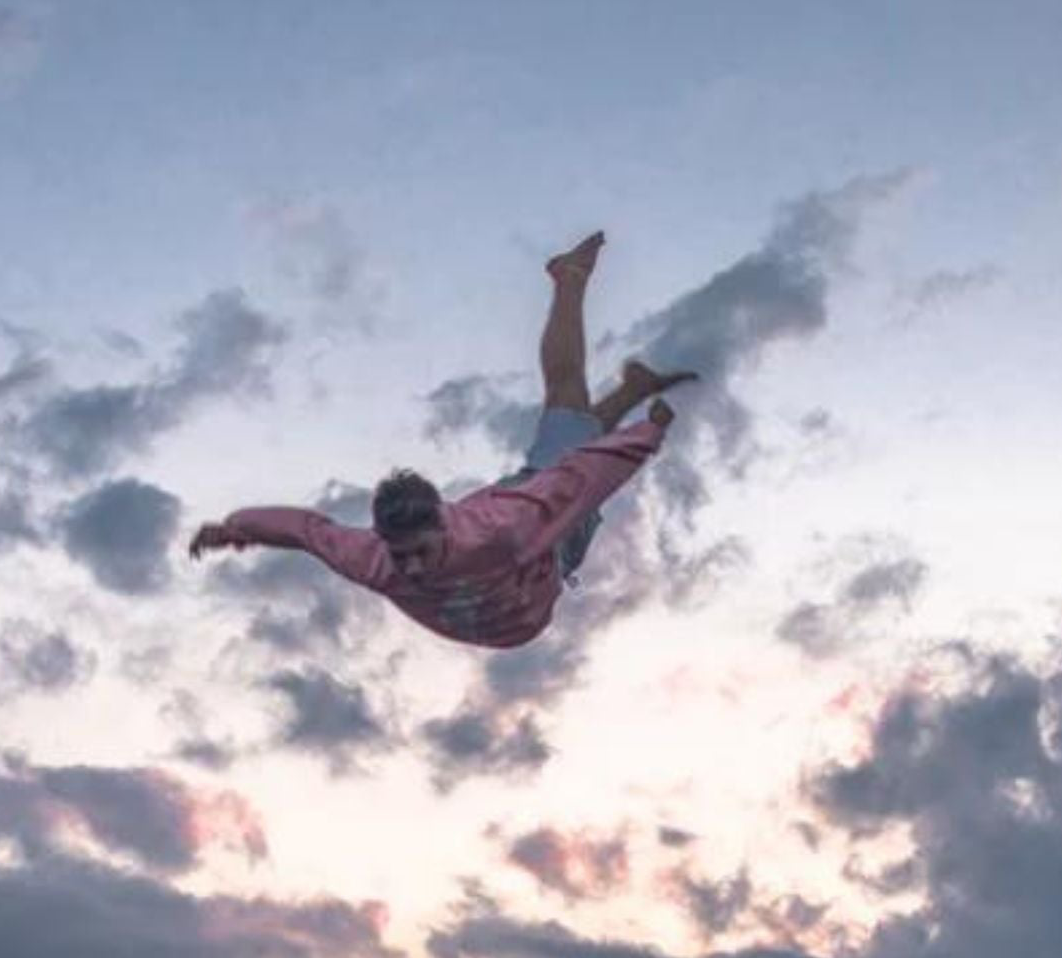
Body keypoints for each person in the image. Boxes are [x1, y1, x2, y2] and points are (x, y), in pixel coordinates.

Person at [189, 231, 694, 649]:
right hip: (548, 571)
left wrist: (650, 432)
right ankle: (632, 387)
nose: (410, 567)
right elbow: (308, 531)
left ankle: (569, 279)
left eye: (420, 552)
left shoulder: (506, 525)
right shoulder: (375, 559)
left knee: (566, 397)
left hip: (545, 529)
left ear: (444, 528)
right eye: (402, 554)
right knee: (572, 433)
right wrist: (236, 528)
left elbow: (585, 477)